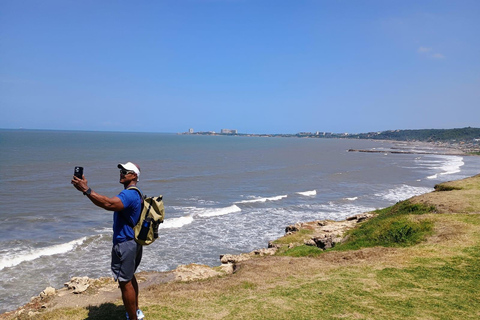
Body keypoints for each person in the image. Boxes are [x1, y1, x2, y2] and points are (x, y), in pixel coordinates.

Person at [71, 162, 145, 320]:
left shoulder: (129, 195)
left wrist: (86, 190)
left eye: (125, 171)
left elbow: (109, 203)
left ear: (134, 176)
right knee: (130, 277)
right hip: (134, 241)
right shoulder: (136, 193)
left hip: (125, 243)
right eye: (121, 171)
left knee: (125, 282)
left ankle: (133, 318)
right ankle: (135, 312)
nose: (122, 173)